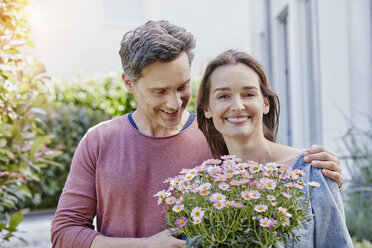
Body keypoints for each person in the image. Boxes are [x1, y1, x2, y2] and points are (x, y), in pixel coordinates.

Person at [51, 21, 343, 248]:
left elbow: (269, 174)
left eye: (182, 87)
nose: (174, 103)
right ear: (129, 82)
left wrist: (319, 177)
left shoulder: (217, 135)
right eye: (159, 91)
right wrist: (145, 246)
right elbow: (64, 233)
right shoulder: (99, 141)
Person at [196, 50, 353, 247]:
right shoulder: (202, 191)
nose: (237, 106)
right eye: (224, 96)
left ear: (265, 103)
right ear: (207, 109)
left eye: (249, 94)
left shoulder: (312, 171)